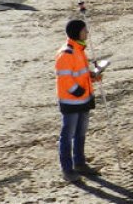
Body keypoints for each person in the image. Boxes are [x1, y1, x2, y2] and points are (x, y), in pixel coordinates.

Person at [55, 19, 102, 182]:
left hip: (84, 100)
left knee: (80, 133)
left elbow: (80, 74)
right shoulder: (66, 53)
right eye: (84, 31)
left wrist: (92, 76)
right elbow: (66, 80)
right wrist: (80, 91)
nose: (87, 33)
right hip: (72, 102)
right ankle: (67, 169)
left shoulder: (79, 50)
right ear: (76, 33)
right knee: (67, 135)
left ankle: (79, 163)